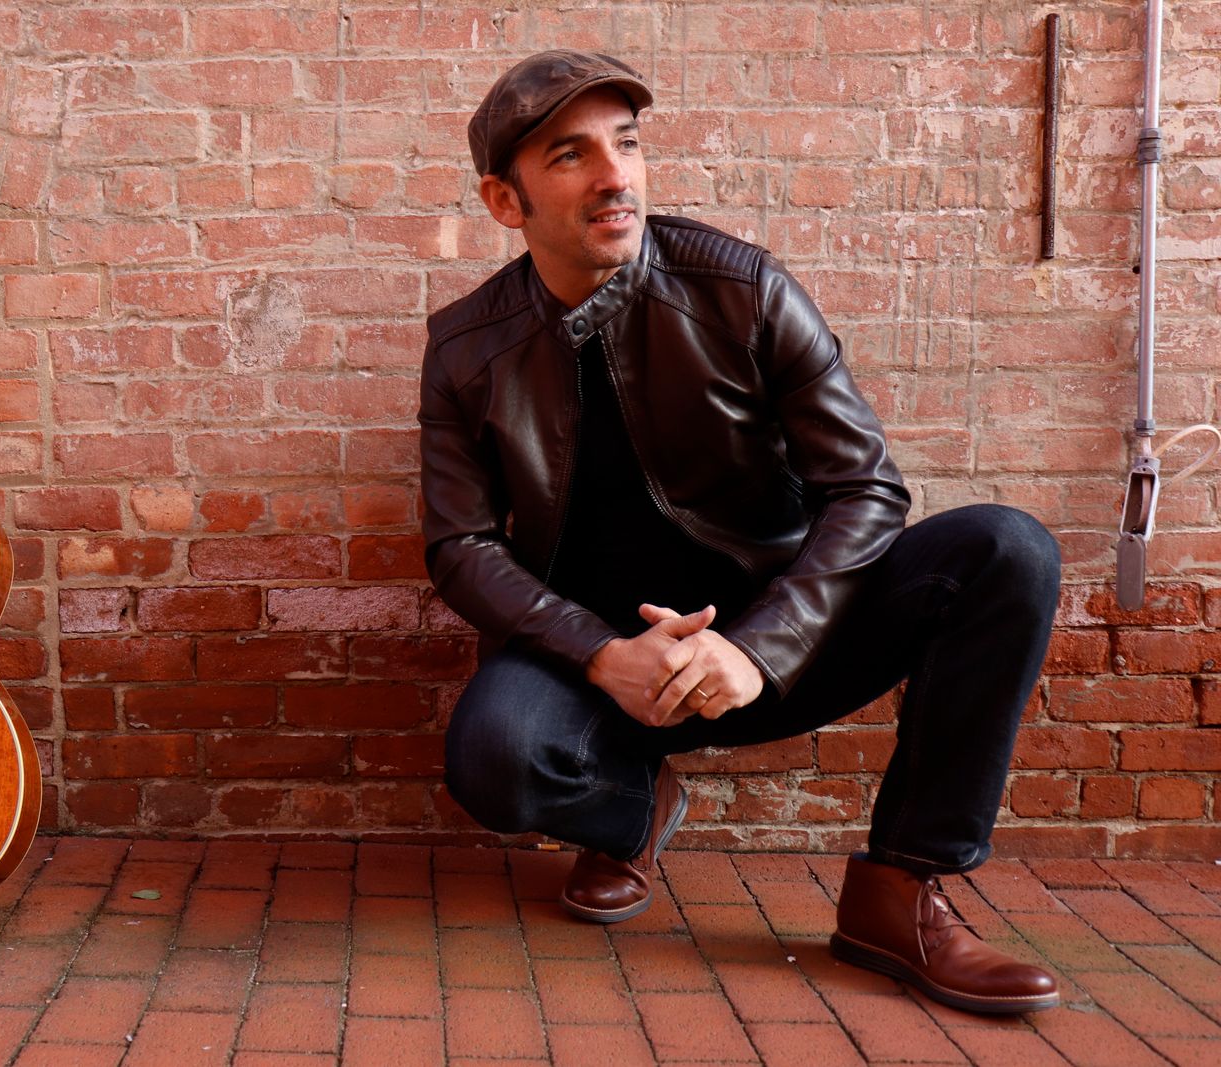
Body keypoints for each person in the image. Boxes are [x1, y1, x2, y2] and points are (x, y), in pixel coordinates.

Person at [419, 50, 1062, 1015]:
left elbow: (866, 488)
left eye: (627, 144)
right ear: (505, 202)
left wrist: (759, 649)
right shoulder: (466, 348)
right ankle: (629, 809)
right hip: (601, 671)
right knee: (493, 756)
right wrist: (600, 653)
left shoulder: (742, 287)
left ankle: (899, 890)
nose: (615, 176)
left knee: (1008, 550)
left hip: (776, 639)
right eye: (570, 156)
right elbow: (461, 545)